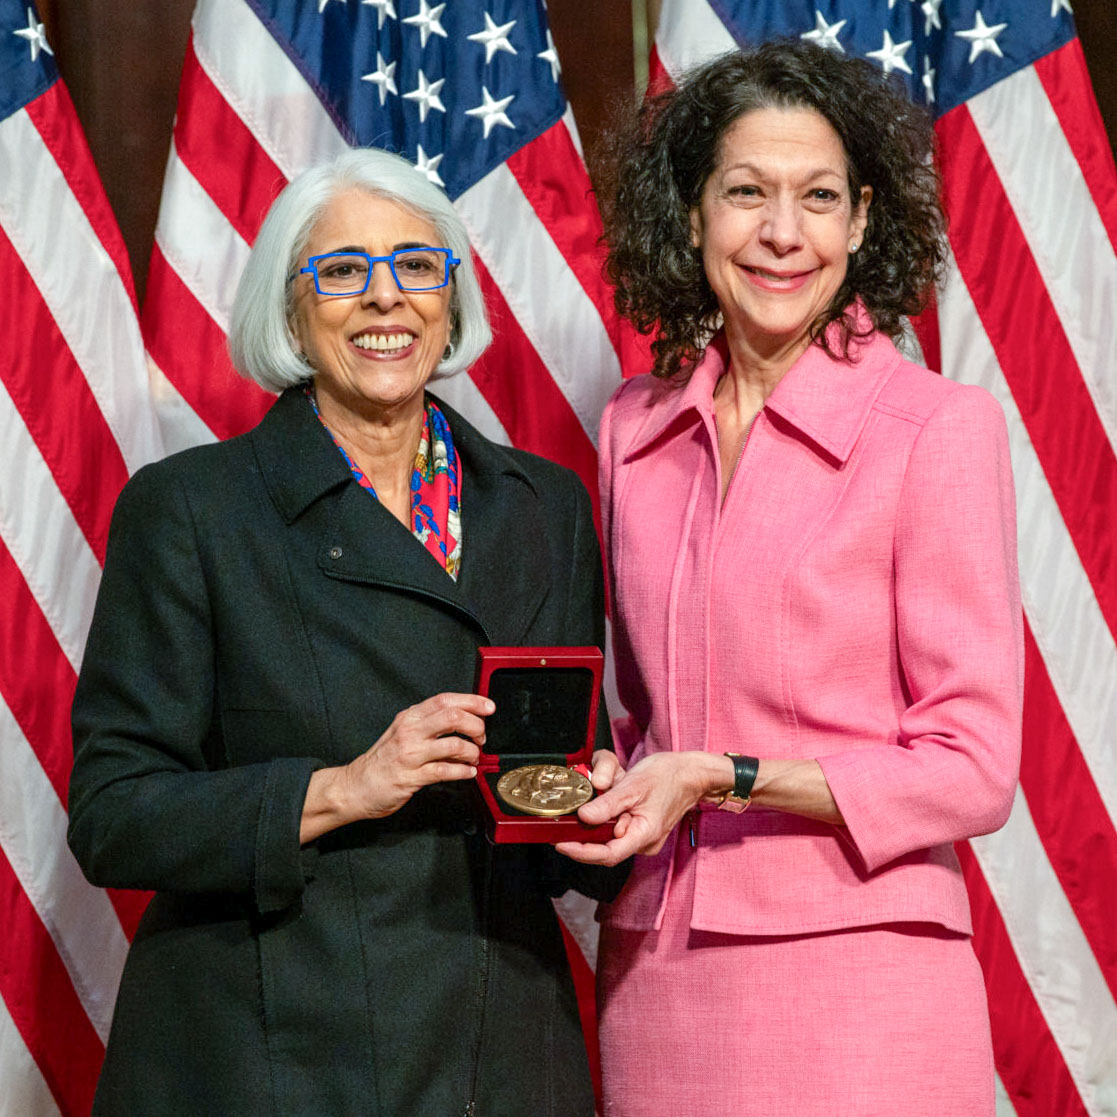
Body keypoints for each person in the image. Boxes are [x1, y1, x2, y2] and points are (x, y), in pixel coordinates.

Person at [68, 147, 625, 1117]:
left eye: (416, 266)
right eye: (341, 271)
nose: (384, 299)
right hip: (273, 1051)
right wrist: (344, 788)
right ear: (290, 309)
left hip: (499, 1052)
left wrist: (593, 816)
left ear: (452, 298)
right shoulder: (191, 510)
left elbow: (553, 785)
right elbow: (116, 814)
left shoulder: (546, 507)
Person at [556, 40, 1023, 1116]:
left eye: (817, 197)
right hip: (658, 975)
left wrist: (719, 774)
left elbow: (970, 769)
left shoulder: (936, 431)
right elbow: (639, 723)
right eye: (745, 193)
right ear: (690, 216)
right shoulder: (633, 429)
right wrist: (588, 782)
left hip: (864, 972)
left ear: (861, 222)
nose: (781, 233)